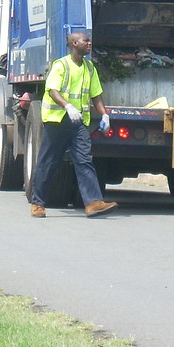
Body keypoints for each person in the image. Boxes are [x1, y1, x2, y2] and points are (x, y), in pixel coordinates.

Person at [31, 31, 118, 218]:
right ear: (74, 43)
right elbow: (52, 90)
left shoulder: (89, 67)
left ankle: (93, 203)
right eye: (85, 40)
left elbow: (96, 94)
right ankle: (38, 203)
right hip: (57, 121)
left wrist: (105, 115)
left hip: (78, 123)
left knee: (84, 160)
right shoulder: (61, 65)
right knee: (48, 162)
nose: (89, 43)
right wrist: (68, 106)